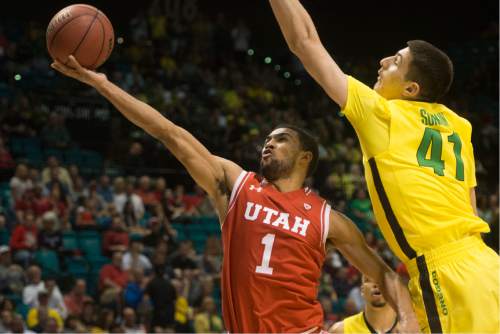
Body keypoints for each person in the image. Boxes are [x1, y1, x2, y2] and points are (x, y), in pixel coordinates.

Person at [51, 55, 418, 332]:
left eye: (280, 140)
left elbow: (385, 274)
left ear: (305, 157)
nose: (267, 145)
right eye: (267, 140)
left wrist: (407, 323)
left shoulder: (327, 218)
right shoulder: (237, 185)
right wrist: (101, 84)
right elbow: (170, 133)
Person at [268, 1, 500, 332]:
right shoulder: (458, 125)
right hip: (488, 267)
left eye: (396, 61)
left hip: (445, 275)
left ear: (410, 89)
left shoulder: (383, 115)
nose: (383, 61)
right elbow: (471, 207)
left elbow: (304, 43)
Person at [330, 275, 398, 333]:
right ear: (362, 291)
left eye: (383, 280)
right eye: (369, 280)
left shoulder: (407, 328)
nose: (377, 284)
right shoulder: (340, 330)